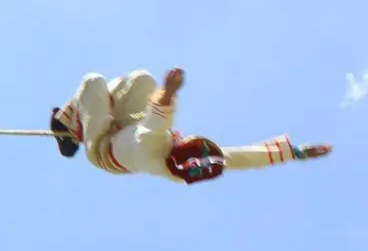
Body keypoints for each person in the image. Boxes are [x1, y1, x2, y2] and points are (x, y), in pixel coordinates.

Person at [50, 68, 331, 184]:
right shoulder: (184, 160)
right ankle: (88, 113)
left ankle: (66, 126)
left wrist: (170, 90)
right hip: (126, 127)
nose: (182, 139)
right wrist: (293, 152)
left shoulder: (154, 144)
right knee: (142, 79)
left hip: (101, 146)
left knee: (93, 81)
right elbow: (241, 157)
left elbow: (160, 116)